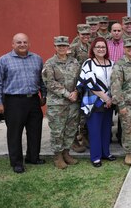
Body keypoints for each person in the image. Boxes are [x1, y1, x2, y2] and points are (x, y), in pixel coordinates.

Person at [0, 33, 47, 173]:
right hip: (13, 101)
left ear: (29, 44)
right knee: (15, 133)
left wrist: (43, 95)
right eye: (19, 42)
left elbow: (42, 80)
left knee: (35, 130)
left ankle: (33, 157)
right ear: (13, 44)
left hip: (33, 99)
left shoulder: (37, 59)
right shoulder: (3, 60)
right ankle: (16, 162)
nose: (22, 45)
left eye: (25, 42)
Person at [77, 37, 116, 167]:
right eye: (98, 47)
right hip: (94, 102)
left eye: (103, 47)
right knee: (94, 130)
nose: (101, 49)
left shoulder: (111, 63)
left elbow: (116, 82)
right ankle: (96, 157)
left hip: (109, 102)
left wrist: (110, 99)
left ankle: (106, 153)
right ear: (93, 49)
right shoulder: (88, 63)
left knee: (106, 129)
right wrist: (105, 98)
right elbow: (90, 84)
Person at [42, 36, 80, 169]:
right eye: (59, 46)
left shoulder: (74, 62)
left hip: (73, 102)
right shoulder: (50, 64)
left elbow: (80, 79)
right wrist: (67, 94)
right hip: (57, 103)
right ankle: (57, 156)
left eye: (64, 45)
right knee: (58, 131)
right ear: (55, 47)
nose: (62, 48)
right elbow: (49, 83)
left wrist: (76, 91)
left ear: (68, 47)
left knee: (71, 129)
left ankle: (66, 153)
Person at [69, 24, 92, 152]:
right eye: (83, 34)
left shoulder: (89, 46)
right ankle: (73, 141)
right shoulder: (73, 48)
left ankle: (84, 136)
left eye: (87, 34)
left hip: (86, 85)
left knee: (85, 113)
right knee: (74, 115)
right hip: (75, 84)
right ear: (78, 34)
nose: (85, 36)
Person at [107, 22, 125, 144]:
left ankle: (121, 136)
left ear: (122, 31)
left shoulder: (127, 45)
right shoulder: (106, 45)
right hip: (107, 82)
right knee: (107, 110)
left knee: (122, 111)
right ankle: (107, 136)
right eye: (114, 30)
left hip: (123, 83)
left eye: (119, 30)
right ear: (111, 32)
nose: (117, 32)